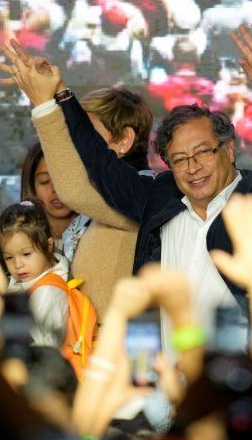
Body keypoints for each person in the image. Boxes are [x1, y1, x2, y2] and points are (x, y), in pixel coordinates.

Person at [0, 24, 252, 343]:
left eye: (202, 152)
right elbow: (99, 160)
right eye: (179, 159)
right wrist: (60, 95)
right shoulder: (160, 197)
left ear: (229, 148)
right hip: (172, 378)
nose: (193, 168)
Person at [15, 82, 153, 317]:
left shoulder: (144, 191)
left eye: (88, 135)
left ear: (124, 140)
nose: (79, 143)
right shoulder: (96, 201)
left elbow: (72, 191)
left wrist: (45, 106)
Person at [0, 200, 97, 375]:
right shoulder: (29, 281)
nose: (18, 264)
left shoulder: (48, 291)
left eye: (26, 254)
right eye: (9, 258)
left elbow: (43, 349)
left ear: (49, 246)